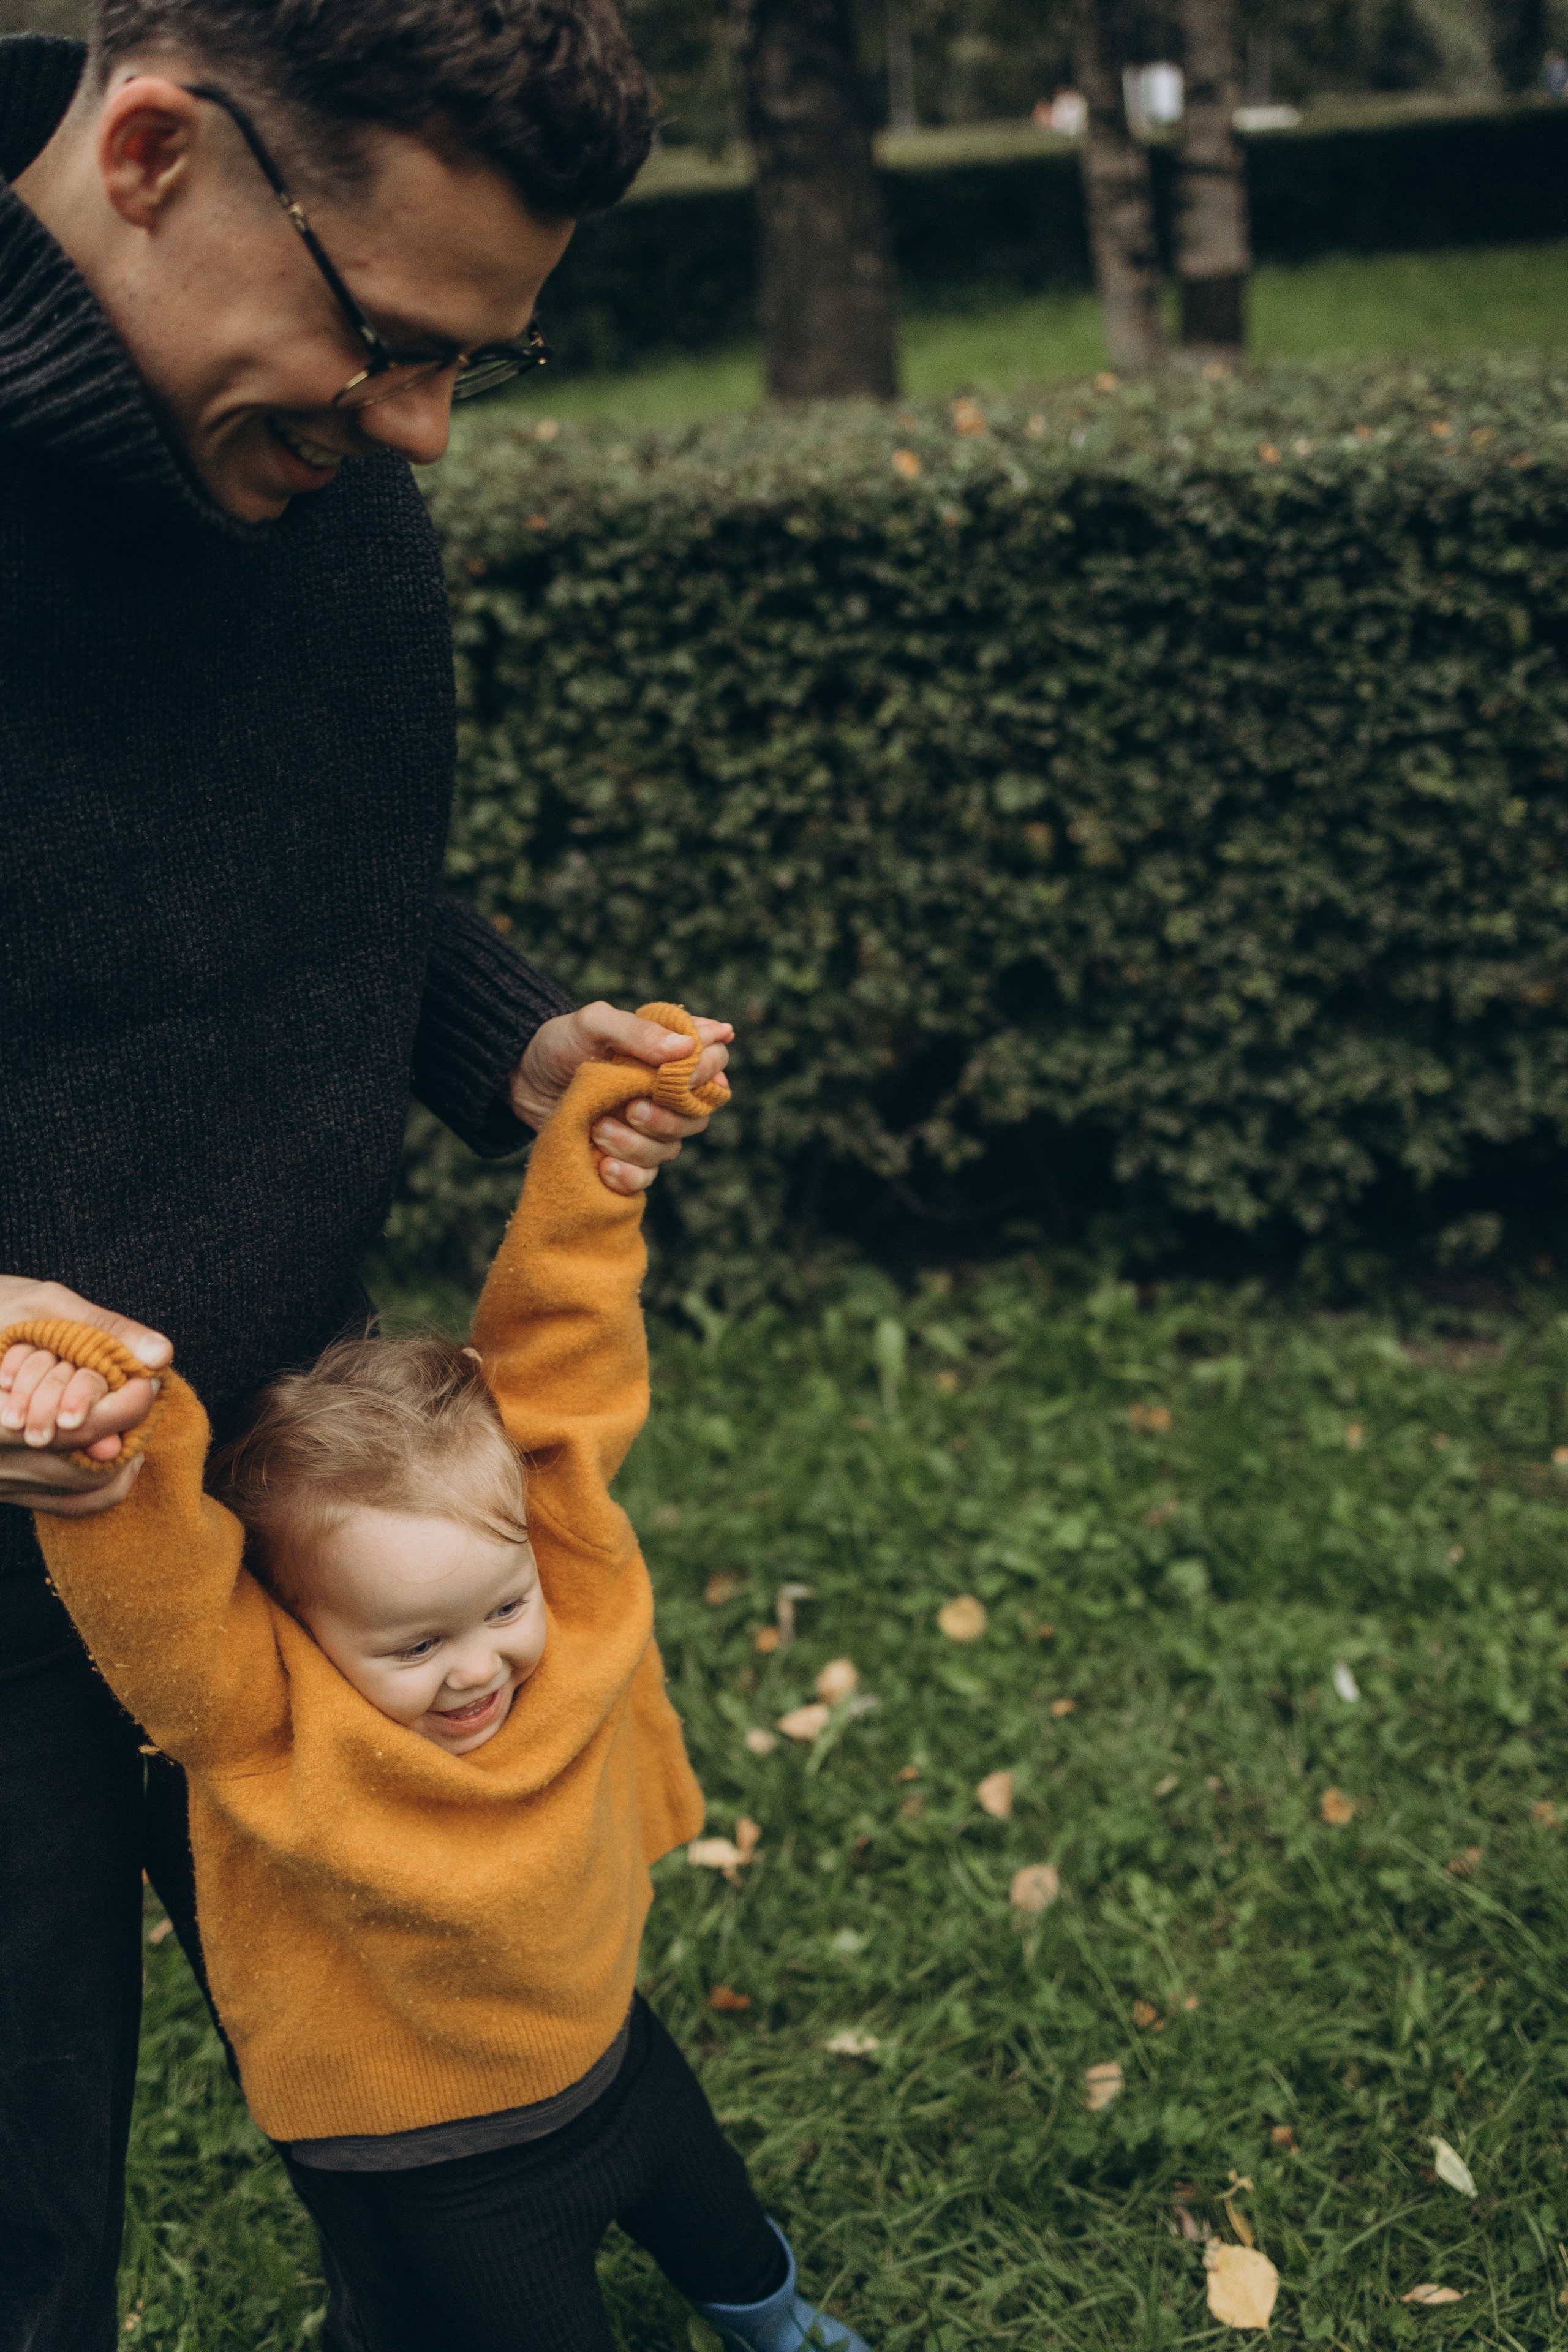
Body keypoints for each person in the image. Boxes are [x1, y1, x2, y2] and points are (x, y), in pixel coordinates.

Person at [0, 3, 731, 2345]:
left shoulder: (286, 449)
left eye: (469, 370)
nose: (414, 430)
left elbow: (320, 875)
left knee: (410, 2044)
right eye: (391, 345)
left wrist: (512, 1037)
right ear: (148, 155)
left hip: (269, 1484)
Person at [6, 1009, 869, 2352]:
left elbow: (564, 1347)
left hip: (617, 2060)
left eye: (498, 1609)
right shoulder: (266, 1718)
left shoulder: (556, 1578)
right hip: (448, 2170)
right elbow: (164, 1602)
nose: (480, 1667)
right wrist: (106, 1450)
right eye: (412, 1647)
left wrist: (593, 1160)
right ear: (292, 1627)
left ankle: (775, 2316)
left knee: (727, 2232)